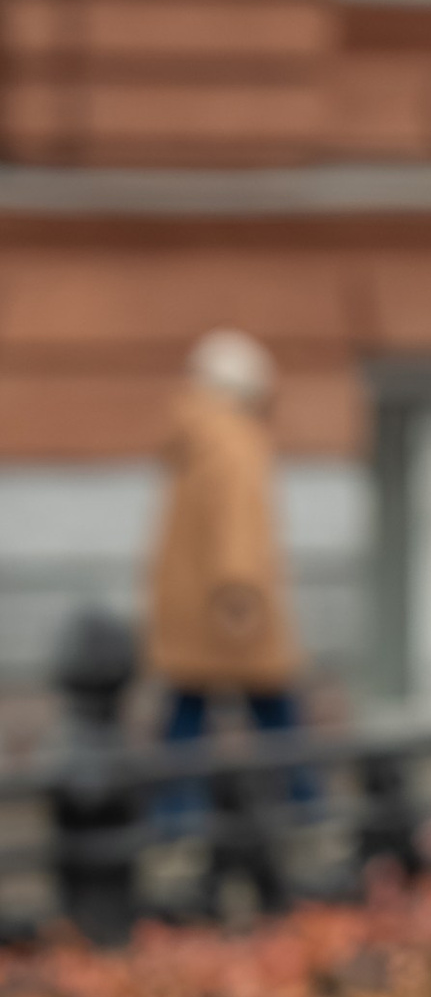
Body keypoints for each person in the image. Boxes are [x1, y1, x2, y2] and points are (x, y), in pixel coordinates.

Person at [147, 329, 304, 818]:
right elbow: (238, 524)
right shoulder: (235, 441)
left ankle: (175, 822)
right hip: (231, 606)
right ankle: (308, 814)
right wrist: (241, 590)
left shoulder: (194, 434)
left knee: (187, 716)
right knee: (275, 715)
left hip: (188, 605)